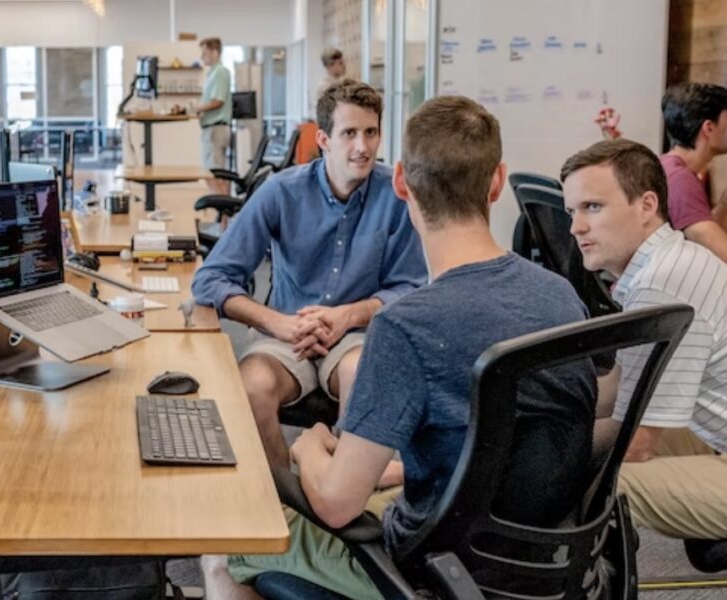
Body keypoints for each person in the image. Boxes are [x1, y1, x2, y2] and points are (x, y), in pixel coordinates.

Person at [202, 96, 597, 599]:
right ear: (498, 182)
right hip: (541, 565)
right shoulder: (560, 294)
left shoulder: (405, 328)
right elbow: (579, 419)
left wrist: (310, 445)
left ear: (402, 182)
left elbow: (336, 506)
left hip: (428, 572)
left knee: (220, 547)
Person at [191, 79, 427, 470]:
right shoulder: (281, 192)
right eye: (349, 133)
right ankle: (286, 499)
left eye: (371, 133)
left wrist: (347, 316)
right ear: (323, 139)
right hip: (286, 333)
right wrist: (277, 323)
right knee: (252, 388)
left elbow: (412, 288)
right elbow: (211, 278)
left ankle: (341, 496)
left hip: (356, 336)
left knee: (363, 377)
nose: (362, 147)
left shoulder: (397, 195)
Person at [561, 138, 727, 567]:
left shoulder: (661, 283)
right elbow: (621, 386)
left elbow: (635, 442)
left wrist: (531, 449)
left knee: (602, 479)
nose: (575, 227)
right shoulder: (667, 262)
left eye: (592, 208)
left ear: (647, 205)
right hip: (713, 438)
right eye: (571, 211)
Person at [660, 82, 727, 262]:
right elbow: (718, 250)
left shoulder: (669, 167)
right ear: (709, 128)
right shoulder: (680, 179)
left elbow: (704, 230)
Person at [196, 37, 233, 195]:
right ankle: (222, 216)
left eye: (205, 53)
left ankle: (223, 216)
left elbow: (218, 101)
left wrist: (198, 108)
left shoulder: (220, 72)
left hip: (216, 129)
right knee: (212, 173)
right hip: (211, 129)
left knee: (215, 175)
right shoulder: (212, 74)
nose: (202, 57)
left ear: (215, 52)